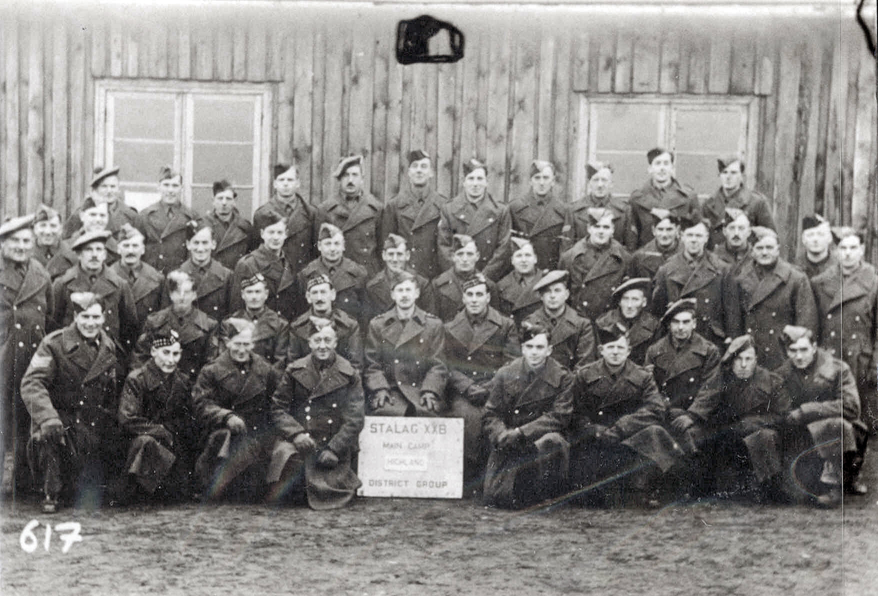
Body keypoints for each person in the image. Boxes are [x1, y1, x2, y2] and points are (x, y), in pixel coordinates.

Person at [21, 292, 125, 513]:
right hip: (63, 422)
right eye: (85, 317)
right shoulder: (53, 344)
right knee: (47, 436)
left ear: (104, 319)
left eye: (96, 317)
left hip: (91, 426)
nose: (90, 323)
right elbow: (31, 383)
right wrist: (47, 417)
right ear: (75, 317)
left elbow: (111, 391)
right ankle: (51, 493)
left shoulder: (108, 346)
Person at [563, 322, 683, 508]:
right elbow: (575, 412)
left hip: (629, 439)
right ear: (601, 350)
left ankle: (644, 488)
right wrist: (593, 429)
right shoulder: (585, 375)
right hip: (597, 439)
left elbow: (655, 408)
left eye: (620, 347)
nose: (615, 352)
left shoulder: (642, 376)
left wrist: (623, 427)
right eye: (611, 347)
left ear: (628, 351)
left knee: (655, 433)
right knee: (588, 497)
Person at [267, 319, 364, 509]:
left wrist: (335, 448)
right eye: (317, 340)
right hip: (301, 440)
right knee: (288, 470)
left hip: (333, 443)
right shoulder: (294, 370)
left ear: (336, 342)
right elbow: (278, 408)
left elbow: (356, 418)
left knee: (330, 484)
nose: (322, 346)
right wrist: (296, 434)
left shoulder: (350, 374)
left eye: (327, 340)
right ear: (309, 342)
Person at [482, 320, 573, 509]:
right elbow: (491, 413)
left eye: (540, 347)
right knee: (496, 498)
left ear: (549, 350)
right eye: (529, 346)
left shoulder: (563, 377)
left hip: (541, 440)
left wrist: (522, 432)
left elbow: (559, 416)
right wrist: (500, 433)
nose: (534, 352)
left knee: (553, 441)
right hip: (511, 441)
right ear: (522, 348)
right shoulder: (505, 373)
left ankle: (547, 493)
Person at [775, 326, 868, 506]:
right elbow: (782, 412)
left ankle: (835, 486)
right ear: (787, 351)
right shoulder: (781, 375)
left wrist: (807, 411)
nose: (799, 356)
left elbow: (851, 407)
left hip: (842, 439)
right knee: (796, 495)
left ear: (814, 347)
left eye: (804, 349)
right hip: (805, 440)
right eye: (793, 351)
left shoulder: (838, 369)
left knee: (836, 425)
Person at [443, 273, 520, 487]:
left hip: (496, 388)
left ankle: (491, 476)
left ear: (488, 297)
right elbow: (445, 364)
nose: (474, 299)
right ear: (463, 299)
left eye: (479, 294)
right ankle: (469, 477)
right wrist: (467, 387)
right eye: (470, 295)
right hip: (463, 390)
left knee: (496, 419)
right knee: (465, 417)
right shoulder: (449, 327)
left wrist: (488, 388)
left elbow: (512, 363)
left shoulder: (505, 325)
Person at [192, 318, 280, 501]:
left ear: (253, 344)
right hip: (222, 434)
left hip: (256, 436)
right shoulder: (211, 371)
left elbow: (278, 403)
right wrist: (226, 416)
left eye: (246, 344)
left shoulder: (267, 371)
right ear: (227, 343)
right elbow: (201, 404)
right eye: (237, 344)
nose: (242, 350)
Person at [644, 298, 722, 496]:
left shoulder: (708, 351)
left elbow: (711, 388)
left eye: (686, 322)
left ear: (694, 323)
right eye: (676, 322)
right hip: (664, 412)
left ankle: (691, 489)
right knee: (654, 435)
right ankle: (658, 488)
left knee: (691, 438)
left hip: (694, 415)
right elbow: (648, 388)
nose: (681, 328)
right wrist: (663, 410)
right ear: (669, 325)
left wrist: (692, 415)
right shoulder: (654, 351)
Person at [699, 335, 789, 500]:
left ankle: (770, 486)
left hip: (761, 437)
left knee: (763, 437)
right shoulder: (720, 383)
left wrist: (754, 422)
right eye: (738, 359)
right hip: (729, 438)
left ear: (756, 360)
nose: (743, 365)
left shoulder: (772, 382)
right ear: (731, 361)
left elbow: (782, 415)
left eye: (748, 359)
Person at [0, 215, 53, 496]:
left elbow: (51, 316)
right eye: (15, 241)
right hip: (2, 358)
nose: (21, 247)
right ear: (3, 244)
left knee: (24, 421)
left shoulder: (40, 273)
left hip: (30, 359)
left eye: (26, 241)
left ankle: (22, 484)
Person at [115, 329, 198, 503]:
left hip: (171, 444)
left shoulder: (183, 381)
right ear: (153, 352)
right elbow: (127, 418)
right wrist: (160, 430)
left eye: (176, 354)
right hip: (139, 441)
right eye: (165, 352)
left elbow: (188, 417)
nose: (171, 359)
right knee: (146, 443)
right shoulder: (137, 379)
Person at [811, 228, 878, 434]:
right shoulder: (820, 283)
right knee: (828, 421)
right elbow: (813, 326)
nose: (848, 253)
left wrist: (875, 364)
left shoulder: (874, 283)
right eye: (843, 248)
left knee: (860, 423)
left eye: (853, 248)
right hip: (829, 360)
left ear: (862, 250)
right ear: (836, 251)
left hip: (860, 362)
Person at [364, 272, 447, 417]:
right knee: (385, 412)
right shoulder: (377, 325)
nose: (404, 295)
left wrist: (430, 390)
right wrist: (380, 388)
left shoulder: (433, 325)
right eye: (399, 290)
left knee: (428, 414)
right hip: (391, 390)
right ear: (392, 295)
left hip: (421, 390)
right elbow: (372, 365)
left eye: (408, 290)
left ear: (417, 293)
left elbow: (438, 365)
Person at [652, 217, 742, 348]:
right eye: (690, 235)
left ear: (706, 238)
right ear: (681, 236)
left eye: (698, 236)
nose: (694, 240)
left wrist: (732, 339)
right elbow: (657, 312)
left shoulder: (722, 270)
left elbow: (732, 312)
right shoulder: (666, 270)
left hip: (711, 340)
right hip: (677, 339)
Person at [737, 227, 818, 370]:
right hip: (749, 354)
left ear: (778, 249)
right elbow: (734, 321)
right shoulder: (740, 277)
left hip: (781, 354)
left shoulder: (795, 278)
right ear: (752, 251)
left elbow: (806, 323)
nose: (764, 252)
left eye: (769, 247)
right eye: (759, 248)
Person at [51, 229, 138, 349]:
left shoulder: (120, 285)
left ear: (105, 255)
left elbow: (129, 327)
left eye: (99, 249)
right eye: (88, 249)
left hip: (108, 354)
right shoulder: (62, 284)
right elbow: (52, 324)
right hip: (71, 355)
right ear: (79, 255)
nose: (94, 255)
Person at [132, 270, 219, 379]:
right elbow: (141, 358)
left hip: (193, 385)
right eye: (178, 292)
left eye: (187, 292)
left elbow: (210, 365)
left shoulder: (208, 325)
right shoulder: (155, 322)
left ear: (194, 295)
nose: (182, 297)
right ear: (171, 295)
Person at [437, 158, 512, 281]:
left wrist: (484, 277)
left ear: (486, 182)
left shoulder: (500, 211)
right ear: (464, 182)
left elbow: (503, 250)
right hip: (458, 279)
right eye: (471, 179)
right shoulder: (449, 209)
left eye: (480, 179)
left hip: (487, 280)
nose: (475, 184)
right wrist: (458, 276)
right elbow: (444, 248)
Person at [381, 150, 448, 280]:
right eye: (415, 166)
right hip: (404, 277)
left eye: (424, 167)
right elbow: (386, 245)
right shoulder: (394, 206)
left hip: (433, 277)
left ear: (431, 173)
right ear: (409, 172)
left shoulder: (443, 205)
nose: (419, 170)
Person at [558, 207, 632, 322]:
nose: (601, 231)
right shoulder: (569, 257)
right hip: (579, 323)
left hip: (609, 324)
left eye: (606, 227)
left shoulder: (624, 259)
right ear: (589, 228)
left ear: (612, 230)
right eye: (597, 226)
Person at [315, 155, 384, 276]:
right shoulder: (325, 210)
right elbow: (317, 250)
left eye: (355, 175)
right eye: (346, 175)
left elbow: (382, 249)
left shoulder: (376, 209)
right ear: (339, 179)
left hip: (367, 277)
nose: (350, 180)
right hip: (337, 276)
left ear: (362, 179)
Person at [283, 274, 363, 372]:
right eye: (315, 293)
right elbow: (293, 365)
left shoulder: (349, 325)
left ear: (332, 295)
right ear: (308, 297)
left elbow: (356, 366)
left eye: (323, 292)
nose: (319, 298)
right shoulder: (297, 326)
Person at [231, 210, 298, 321]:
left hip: (283, 327)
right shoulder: (248, 264)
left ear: (286, 234)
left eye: (279, 233)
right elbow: (237, 307)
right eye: (271, 232)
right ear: (262, 234)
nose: (275, 237)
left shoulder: (289, 262)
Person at [296, 223, 369, 325]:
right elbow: (302, 311)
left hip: (349, 332)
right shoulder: (306, 274)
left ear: (343, 246)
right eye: (328, 244)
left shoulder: (358, 273)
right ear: (319, 246)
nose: (332, 249)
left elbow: (364, 313)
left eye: (336, 244)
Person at [523, 270, 596, 372]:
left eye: (557, 290)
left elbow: (584, 365)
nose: (552, 296)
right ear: (541, 296)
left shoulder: (582, 325)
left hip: (570, 383)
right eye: (548, 291)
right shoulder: (530, 322)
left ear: (566, 294)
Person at [628, 148, 701, 249]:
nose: (662, 168)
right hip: (647, 257)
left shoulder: (688, 197)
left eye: (666, 163)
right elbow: (631, 237)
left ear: (672, 168)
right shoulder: (637, 199)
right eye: (657, 163)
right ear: (650, 168)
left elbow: (698, 231)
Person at [253, 163, 317, 273]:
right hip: (273, 275)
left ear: (298, 183)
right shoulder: (262, 214)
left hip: (301, 275)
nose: (286, 184)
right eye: (281, 180)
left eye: (290, 180)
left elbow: (315, 252)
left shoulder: (311, 213)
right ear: (274, 184)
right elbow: (256, 251)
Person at [702, 156, 775, 249]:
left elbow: (770, 237)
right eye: (724, 172)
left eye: (733, 173)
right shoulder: (708, 204)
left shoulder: (756, 202)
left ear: (742, 176)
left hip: (746, 259)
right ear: (719, 175)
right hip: (717, 258)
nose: (728, 177)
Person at [135, 166, 198, 274]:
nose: (170, 190)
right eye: (166, 185)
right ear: (158, 187)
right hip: (152, 277)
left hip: (179, 277)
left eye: (175, 185)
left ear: (181, 188)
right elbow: (137, 249)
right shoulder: (145, 216)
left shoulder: (191, 216)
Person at [508, 160, 568, 270]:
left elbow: (565, 249)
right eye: (537, 178)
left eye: (546, 178)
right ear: (530, 181)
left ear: (553, 181)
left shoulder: (564, 210)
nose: (541, 182)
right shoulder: (515, 207)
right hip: (523, 270)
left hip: (549, 272)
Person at [110, 223, 164, 345]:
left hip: (146, 344)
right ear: (118, 249)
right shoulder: (107, 278)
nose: (130, 251)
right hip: (116, 345)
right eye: (126, 245)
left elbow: (162, 316)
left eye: (135, 246)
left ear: (143, 249)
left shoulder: (157, 279)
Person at [564, 162, 636, 252]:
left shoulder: (624, 210)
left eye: (604, 180)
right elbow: (567, 250)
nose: (600, 185)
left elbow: (630, 248)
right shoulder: (574, 210)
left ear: (611, 184)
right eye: (595, 180)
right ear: (589, 183)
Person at [169, 222, 233, 322]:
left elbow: (231, 317)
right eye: (196, 243)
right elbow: (169, 316)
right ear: (188, 244)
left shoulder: (227, 276)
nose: (200, 249)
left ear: (213, 244)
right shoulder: (175, 276)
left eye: (205, 243)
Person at [364, 233, 433, 323]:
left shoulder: (422, 284)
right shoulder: (372, 287)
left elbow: (429, 322)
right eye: (391, 254)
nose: (395, 259)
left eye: (399, 254)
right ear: (384, 255)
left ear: (407, 255)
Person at [224, 273, 289, 369]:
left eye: (258, 292)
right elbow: (225, 359)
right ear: (243, 295)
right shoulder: (230, 323)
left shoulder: (280, 324)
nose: (254, 297)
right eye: (249, 292)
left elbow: (280, 362)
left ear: (266, 294)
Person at [430, 234, 498, 322]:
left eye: (469, 254)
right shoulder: (438, 284)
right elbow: (434, 321)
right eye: (460, 254)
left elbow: (494, 321)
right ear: (453, 256)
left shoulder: (489, 285)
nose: (465, 259)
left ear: (477, 256)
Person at [595, 277, 659, 366]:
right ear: (619, 302)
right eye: (625, 299)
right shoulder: (603, 322)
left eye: (635, 299)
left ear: (644, 302)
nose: (629, 305)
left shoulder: (654, 325)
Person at [62, 165, 138, 238]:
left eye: (113, 186)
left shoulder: (130, 215)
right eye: (104, 186)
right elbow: (67, 242)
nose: (109, 191)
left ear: (118, 190)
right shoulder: (81, 213)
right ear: (94, 190)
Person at [201, 179, 259, 271]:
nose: (224, 203)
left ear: (234, 201)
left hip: (236, 280)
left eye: (228, 199)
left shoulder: (245, 227)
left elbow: (252, 260)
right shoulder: (202, 225)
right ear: (213, 201)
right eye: (220, 198)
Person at [495, 236, 545, 327]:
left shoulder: (547, 281)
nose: (523, 260)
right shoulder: (501, 286)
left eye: (527, 255)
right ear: (512, 261)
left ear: (535, 259)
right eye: (519, 256)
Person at [629, 209, 683, 281]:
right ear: (653, 230)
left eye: (669, 229)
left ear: (677, 230)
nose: (664, 234)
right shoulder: (639, 257)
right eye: (660, 229)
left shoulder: (687, 253)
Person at [31, 204, 76, 279]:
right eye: (43, 225)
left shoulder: (72, 256)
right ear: (35, 228)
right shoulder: (26, 254)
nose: (48, 232)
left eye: (53, 226)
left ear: (60, 229)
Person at [71, 197, 120, 266]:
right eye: (93, 215)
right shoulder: (67, 248)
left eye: (102, 215)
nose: (98, 220)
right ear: (82, 216)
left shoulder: (118, 250)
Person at [711, 208, 753, 277]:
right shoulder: (713, 257)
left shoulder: (756, 257)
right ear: (724, 231)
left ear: (749, 232)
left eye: (741, 228)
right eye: (732, 228)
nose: (736, 233)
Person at [795, 214, 837, 280]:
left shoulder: (839, 267)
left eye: (820, 234)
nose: (815, 239)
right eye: (810, 235)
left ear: (829, 238)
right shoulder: (795, 268)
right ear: (803, 239)